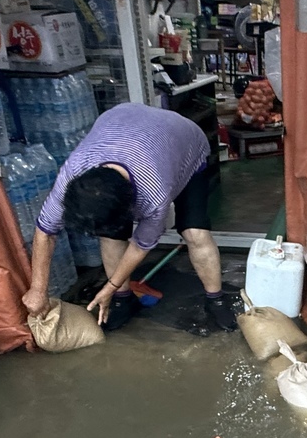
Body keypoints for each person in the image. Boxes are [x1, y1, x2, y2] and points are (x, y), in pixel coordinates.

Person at [21, 102, 237, 332]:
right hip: (123, 118)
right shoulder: (73, 176)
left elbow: (140, 245)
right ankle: (124, 300)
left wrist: (109, 286)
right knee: (111, 236)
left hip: (185, 141)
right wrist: (38, 289)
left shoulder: (154, 192)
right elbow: (45, 231)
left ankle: (216, 299)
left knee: (195, 232)